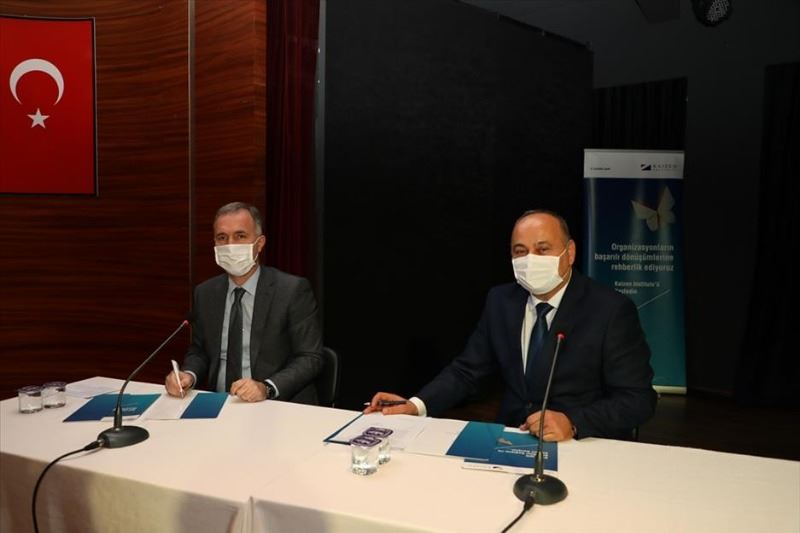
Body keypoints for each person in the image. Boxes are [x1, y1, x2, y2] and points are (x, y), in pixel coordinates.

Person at [366, 210, 656, 441]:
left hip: (579, 444)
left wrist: (574, 422)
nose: (530, 259)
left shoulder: (610, 310)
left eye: (542, 249)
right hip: (510, 438)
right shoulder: (501, 301)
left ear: (569, 253)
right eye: (520, 251)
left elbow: (638, 398)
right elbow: (467, 370)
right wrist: (416, 405)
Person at [165, 202, 323, 403]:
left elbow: (310, 357)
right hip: (218, 404)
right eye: (222, 238)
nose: (230, 245)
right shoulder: (205, 293)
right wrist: (188, 375)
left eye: (240, 236)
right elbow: (200, 351)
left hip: (276, 404)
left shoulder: (291, 290)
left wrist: (266, 387)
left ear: (259, 243)